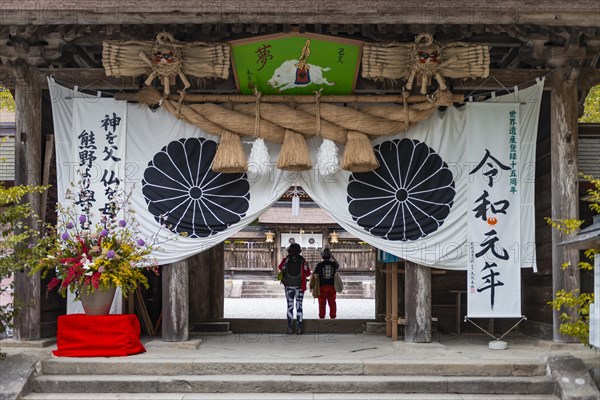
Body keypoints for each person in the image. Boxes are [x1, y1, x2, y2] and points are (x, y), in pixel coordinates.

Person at [278, 242, 311, 334]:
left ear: (289, 251)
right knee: (299, 306)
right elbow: (308, 273)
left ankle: (289, 327)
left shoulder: (286, 260)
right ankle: (299, 327)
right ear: (299, 251)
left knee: (290, 306)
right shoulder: (302, 260)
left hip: (288, 286)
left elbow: (280, 267)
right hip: (300, 286)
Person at [312, 247, 339, 319]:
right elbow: (337, 265)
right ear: (330, 256)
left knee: (322, 303)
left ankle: (322, 316)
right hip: (332, 286)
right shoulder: (333, 264)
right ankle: (333, 316)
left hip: (322, 286)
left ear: (322, 256)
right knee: (332, 302)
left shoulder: (319, 265)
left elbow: (315, 274)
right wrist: (333, 257)